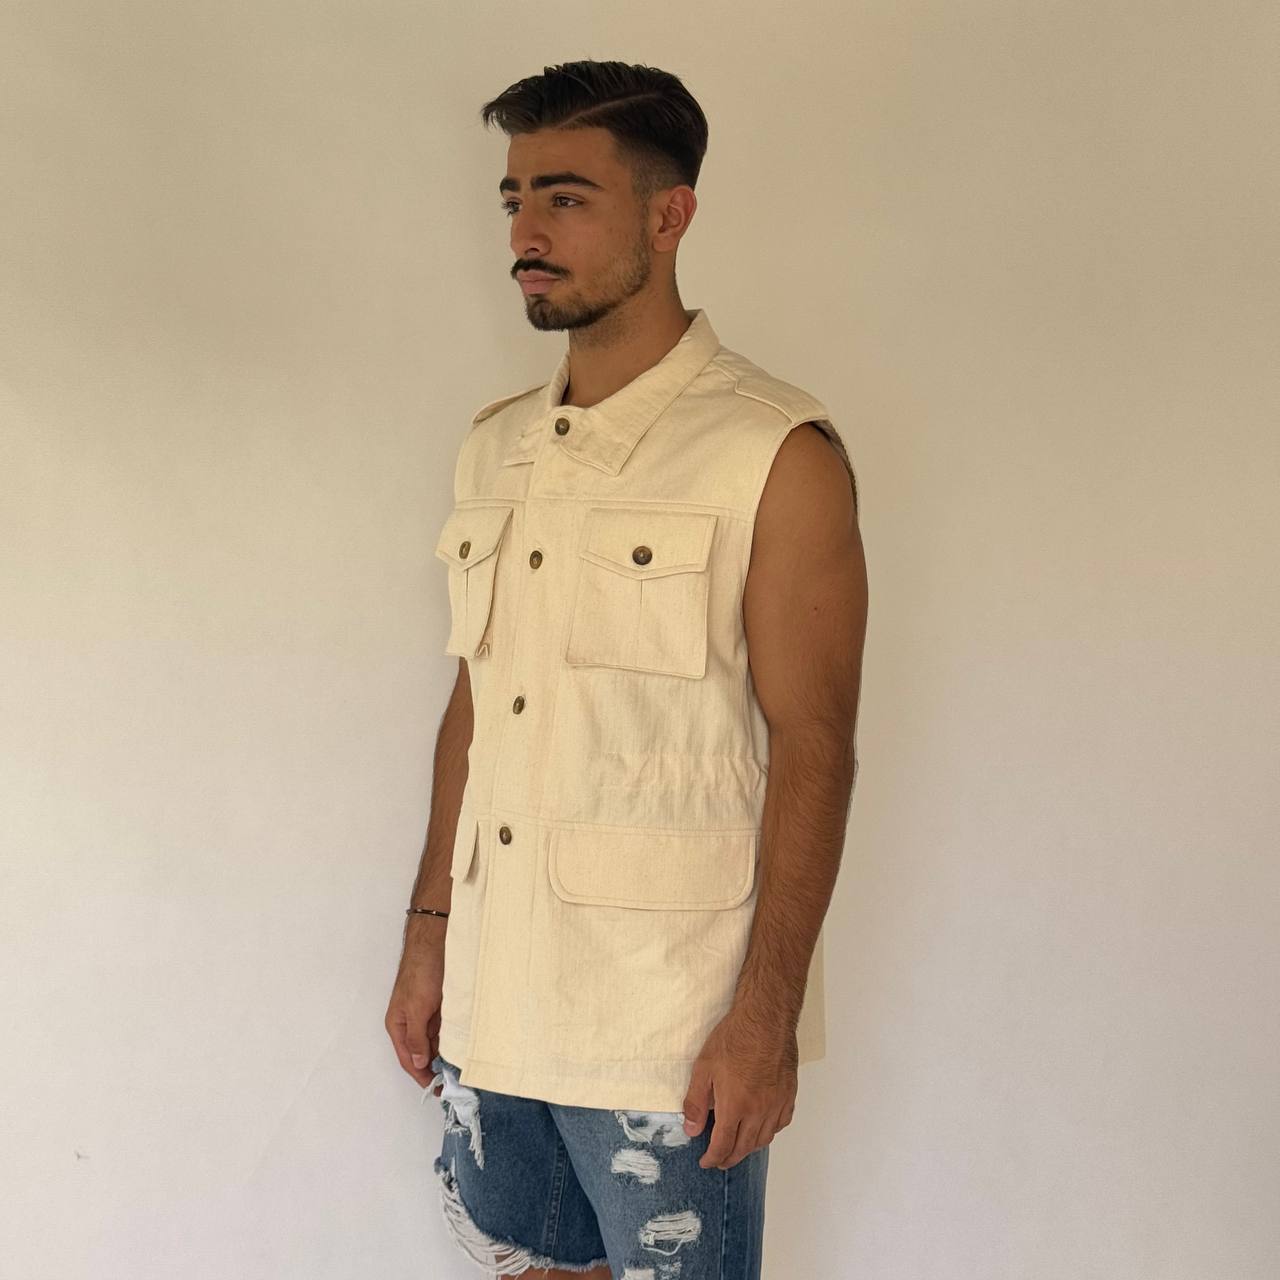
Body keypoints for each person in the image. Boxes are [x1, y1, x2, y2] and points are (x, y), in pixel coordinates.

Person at [385, 59, 868, 1280]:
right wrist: (428, 933)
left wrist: (764, 1017)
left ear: (669, 215)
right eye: (513, 200)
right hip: (494, 993)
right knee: (528, 1267)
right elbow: (477, 704)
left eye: (565, 198)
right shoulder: (494, 446)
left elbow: (814, 743)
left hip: (663, 1020)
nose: (526, 235)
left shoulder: (771, 450)